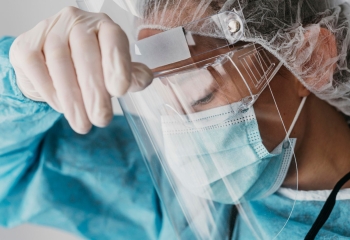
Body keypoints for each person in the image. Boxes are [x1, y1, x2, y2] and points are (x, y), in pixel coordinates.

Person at [1, 0, 350, 239]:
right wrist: (25, 85)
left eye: (200, 94)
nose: (180, 128)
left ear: (309, 61)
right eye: (161, 100)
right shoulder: (176, 202)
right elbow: (13, 180)